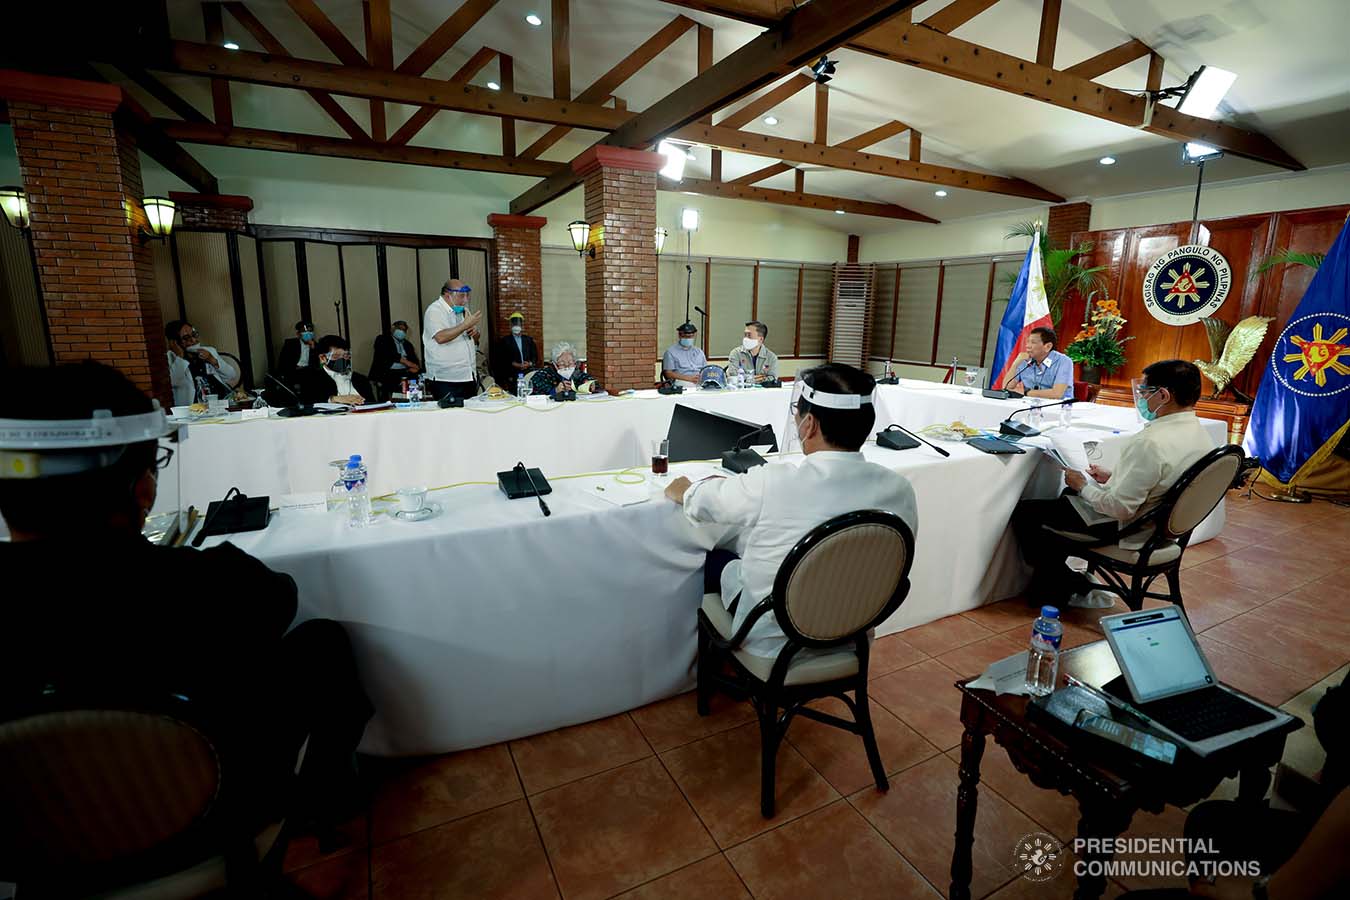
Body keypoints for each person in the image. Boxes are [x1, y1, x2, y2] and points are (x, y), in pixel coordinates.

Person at [0, 362, 373, 844]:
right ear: (142, 486)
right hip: (209, 825)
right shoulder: (211, 585)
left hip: (33, 842)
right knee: (323, 643)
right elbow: (280, 599)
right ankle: (324, 802)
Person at [664, 363, 918, 660]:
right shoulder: (900, 490)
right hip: (852, 636)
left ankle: (722, 667)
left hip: (775, 643)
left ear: (808, 424)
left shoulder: (775, 481)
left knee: (717, 556)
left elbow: (708, 502)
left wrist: (684, 489)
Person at [1010, 359, 1217, 603]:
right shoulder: (1200, 433)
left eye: (1144, 392)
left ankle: (1066, 587)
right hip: (1162, 524)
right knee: (1066, 500)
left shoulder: (1151, 441)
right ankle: (1058, 584)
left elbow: (1120, 508)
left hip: (1132, 529)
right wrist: (1114, 477)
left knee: (1027, 514)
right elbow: (1165, 479)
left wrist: (1083, 485)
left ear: (1163, 395)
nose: (1140, 399)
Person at [422, 279, 482, 401]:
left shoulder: (463, 311)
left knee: (471, 415)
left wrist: (475, 332)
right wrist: (465, 325)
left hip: (468, 375)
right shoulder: (435, 310)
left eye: (467, 296)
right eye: (461, 296)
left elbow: (473, 339)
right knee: (451, 417)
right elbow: (440, 337)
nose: (465, 300)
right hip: (446, 379)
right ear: (448, 295)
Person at [165, 319, 238, 400]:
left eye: (194, 335)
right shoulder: (170, 358)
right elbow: (173, 382)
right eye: (186, 338)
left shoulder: (208, 351)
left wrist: (212, 360)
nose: (194, 340)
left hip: (220, 399)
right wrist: (180, 357)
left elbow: (231, 376)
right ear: (175, 342)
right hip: (193, 406)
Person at [295, 335, 373, 405]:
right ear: (322, 358)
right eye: (336, 356)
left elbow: (373, 404)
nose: (342, 359)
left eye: (345, 355)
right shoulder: (311, 378)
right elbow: (307, 403)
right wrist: (333, 399)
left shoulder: (361, 379)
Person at [1001, 326, 1073, 399]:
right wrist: (1015, 364)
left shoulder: (1064, 361)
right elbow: (1006, 388)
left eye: (1033, 342)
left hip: (1058, 408)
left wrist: (1026, 392)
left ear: (1048, 346)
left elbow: (1057, 394)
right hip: (1029, 405)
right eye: (1027, 342)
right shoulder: (1024, 360)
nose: (1027, 346)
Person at [492, 311, 540, 394]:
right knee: (514, 394)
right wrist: (514, 364)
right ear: (510, 325)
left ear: (522, 325)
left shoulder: (528, 340)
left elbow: (535, 356)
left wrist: (529, 363)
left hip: (528, 373)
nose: (516, 326)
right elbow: (500, 359)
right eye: (514, 324)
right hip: (512, 375)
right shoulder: (504, 341)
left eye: (518, 324)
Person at [529, 341, 600, 397]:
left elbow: (593, 382)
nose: (567, 366)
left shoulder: (576, 374)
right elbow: (533, 390)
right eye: (562, 363)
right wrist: (555, 390)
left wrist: (591, 384)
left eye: (570, 363)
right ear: (554, 364)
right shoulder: (543, 374)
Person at [370, 319, 421, 397]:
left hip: (404, 371)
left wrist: (415, 367)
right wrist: (405, 362)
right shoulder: (382, 339)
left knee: (415, 378)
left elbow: (414, 360)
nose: (402, 332)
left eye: (404, 330)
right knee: (392, 385)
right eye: (399, 329)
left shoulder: (407, 344)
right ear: (393, 328)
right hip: (387, 372)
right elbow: (388, 354)